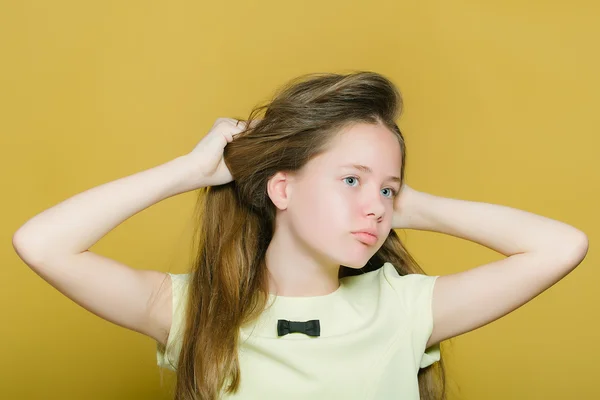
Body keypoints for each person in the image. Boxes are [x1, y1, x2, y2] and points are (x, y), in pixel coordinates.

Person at [12, 71, 588, 400]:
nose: (374, 205)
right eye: (350, 179)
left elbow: (562, 246)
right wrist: (189, 171)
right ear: (281, 190)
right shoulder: (197, 311)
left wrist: (413, 206)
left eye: (387, 188)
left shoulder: (404, 309)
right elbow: (43, 243)